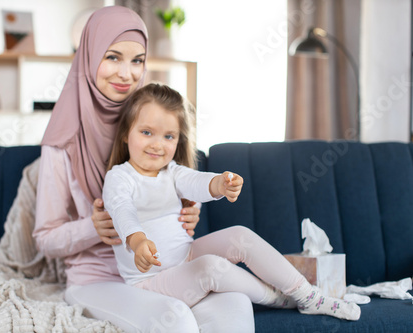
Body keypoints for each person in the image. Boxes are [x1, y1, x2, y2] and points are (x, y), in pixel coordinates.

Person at [33, 6, 254, 333]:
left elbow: (177, 189)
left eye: (137, 60)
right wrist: (98, 227)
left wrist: (185, 214)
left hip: (165, 271)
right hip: (98, 280)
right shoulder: (61, 142)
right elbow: (45, 239)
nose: (126, 73)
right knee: (175, 318)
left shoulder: (150, 124)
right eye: (112, 57)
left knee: (236, 303)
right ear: (89, 55)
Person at [102, 83, 361, 322]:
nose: (158, 144)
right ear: (126, 134)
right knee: (210, 268)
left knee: (240, 235)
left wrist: (220, 184)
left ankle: (308, 294)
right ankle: (280, 299)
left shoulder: (172, 172)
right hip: (151, 281)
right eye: (147, 132)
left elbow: (196, 181)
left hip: (186, 255)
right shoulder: (119, 177)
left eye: (169, 137)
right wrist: (137, 242)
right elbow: (122, 210)